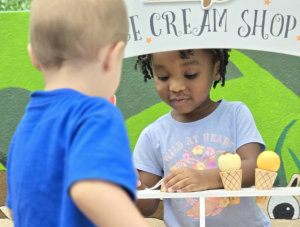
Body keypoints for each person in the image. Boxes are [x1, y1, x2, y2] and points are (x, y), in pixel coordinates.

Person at [5, 0, 149, 226]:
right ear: (112, 55)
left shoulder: (27, 126)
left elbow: (16, 210)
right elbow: (91, 190)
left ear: (33, 55)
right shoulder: (97, 114)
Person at [133, 49, 270, 227]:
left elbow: (253, 167)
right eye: (163, 76)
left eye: (190, 75)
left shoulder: (235, 114)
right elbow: (147, 206)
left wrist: (206, 179)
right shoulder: (153, 135)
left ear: (216, 70)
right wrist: (132, 185)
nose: (175, 87)